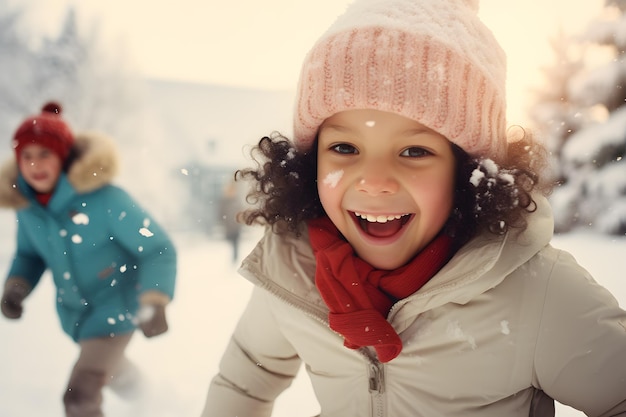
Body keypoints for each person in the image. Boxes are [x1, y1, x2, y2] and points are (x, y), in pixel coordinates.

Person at [200, 0, 626, 415]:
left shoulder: (535, 291)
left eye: (414, 150)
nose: (375, 180)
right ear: (311, 164)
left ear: (467, 172)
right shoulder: (292, 272)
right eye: (345, 147)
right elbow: (244, 380)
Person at [0, 102, 177, 417]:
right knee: (110, 369)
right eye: (26, 155)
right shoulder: (28, 207)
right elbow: (29, 254)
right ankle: (151, 400)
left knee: (80, 396)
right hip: (76, 315)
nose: (34, 164)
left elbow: (157, 247)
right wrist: (17, 286)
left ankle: (147, 399)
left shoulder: (106, 198)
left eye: (45, 154)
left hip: (117, 306)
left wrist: (155, 300)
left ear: (64, 157)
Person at [218, 179, 242, 263]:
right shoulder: (225, 202)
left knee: (235, 243)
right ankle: (233, 258)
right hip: (229, 226)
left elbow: (240, 212)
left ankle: (234, 258)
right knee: (231, 242)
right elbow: (221, 213)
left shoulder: (236, 201)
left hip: (236, 227)